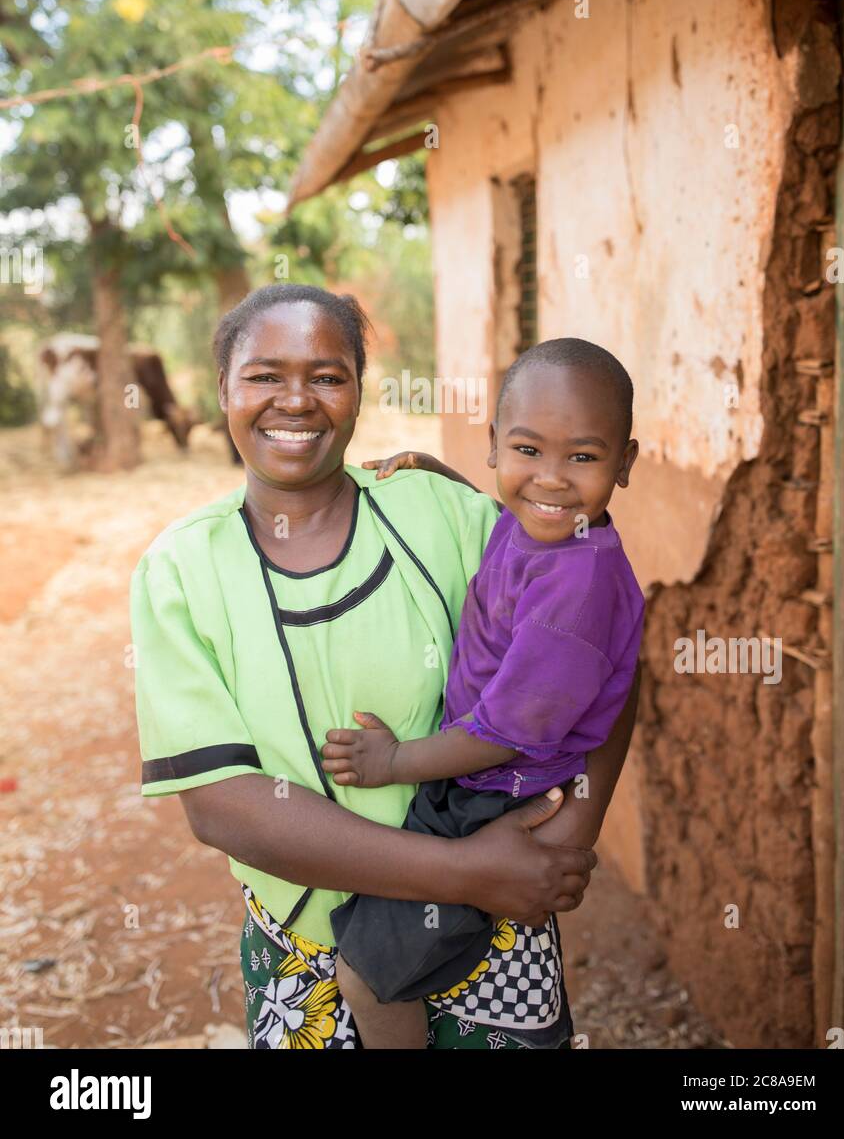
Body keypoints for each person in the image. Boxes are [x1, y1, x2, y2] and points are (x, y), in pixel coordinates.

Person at [131, 284, 639, 1049]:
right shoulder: (181, 570)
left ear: (360, 391)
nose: (295, 401)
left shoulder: (441, 516)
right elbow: (224, 807)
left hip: (491, 928)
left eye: (327, 376)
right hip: (307, 948)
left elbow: (603, 651)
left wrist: (571, 830)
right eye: (264, 375)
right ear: (223, 392)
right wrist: (463, 872)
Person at [325, 338, 643, 1048]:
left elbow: (505, 732)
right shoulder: (543, 531)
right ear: (495, 446)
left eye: (583, 458)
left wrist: (392, 763)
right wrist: (441, 474)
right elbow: (514, 510)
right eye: (528, 451)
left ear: (624, 463)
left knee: (364, 978)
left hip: (490, 796)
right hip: (480, 782)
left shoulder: (580, 582)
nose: (551, 481)